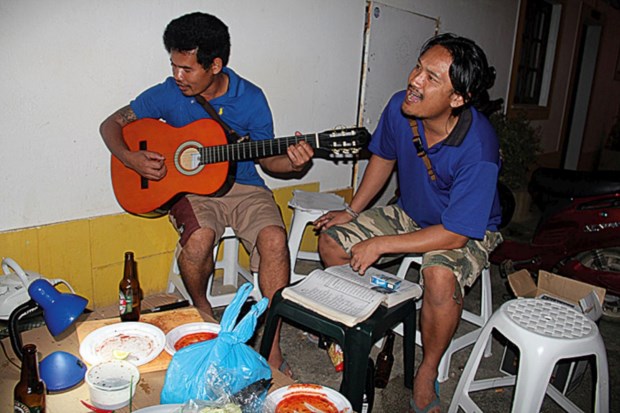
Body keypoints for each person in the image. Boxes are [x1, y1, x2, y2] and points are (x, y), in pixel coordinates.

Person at [100, 12, 313, 376]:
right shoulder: (168, 93)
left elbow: (268, 161)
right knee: (199, 241)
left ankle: (272, 343)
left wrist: (294, 165)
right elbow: (111, 124)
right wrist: (130, 158)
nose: (178, 76)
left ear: (215, 65)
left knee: (275, 240)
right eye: (174, 65)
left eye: (187, 69)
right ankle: (203, 311)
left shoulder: (251, 98)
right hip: (192, 191)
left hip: (245, 187)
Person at [315, 33, 503, 412]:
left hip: (466, 229)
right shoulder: (401, 107)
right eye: (419, 67)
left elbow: (455, 235)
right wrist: (352, 210)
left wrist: (381, 243)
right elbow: (383, 157)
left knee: (438, 277)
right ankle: (366, 326)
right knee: (332, 243)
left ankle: (427, 370)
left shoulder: (479, 147)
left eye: (431, 77)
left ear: (457, 98)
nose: (415, 80)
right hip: (411, 213)